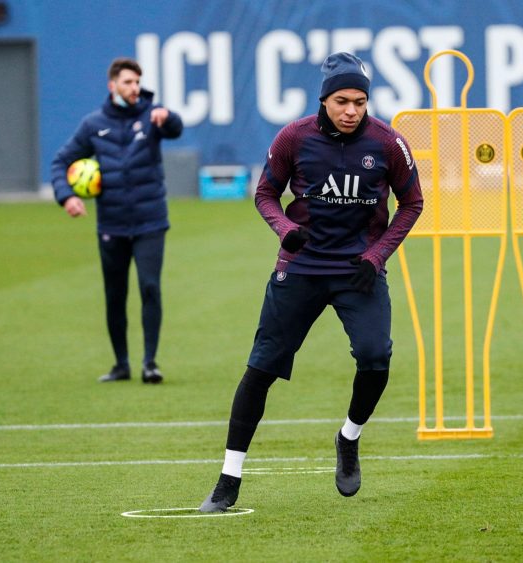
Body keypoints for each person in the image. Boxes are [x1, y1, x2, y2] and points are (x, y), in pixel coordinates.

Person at [198, 52, 424, 512]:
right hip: (300, 268)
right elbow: (265, 192)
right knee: (260, 370)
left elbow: (413, 203)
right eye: (342, 101)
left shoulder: (389, 143)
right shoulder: (292, 138)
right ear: (324, 100)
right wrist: (286, 231)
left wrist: (377, 254)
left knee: (376, 357)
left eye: (360, 102)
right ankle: (228, 479)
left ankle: (348, 438)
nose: (351, 110)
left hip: (358, 271)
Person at [51, 57, 182, 384]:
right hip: (111, 223)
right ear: (112, 86)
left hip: (150, 220)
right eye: (127, 82)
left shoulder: (152, 115)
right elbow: (60, 162)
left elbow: (176, 127)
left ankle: (150, 362)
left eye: (137, 82)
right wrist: (67, 196)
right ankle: (120, 364)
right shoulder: (93, 124)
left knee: (150, 287)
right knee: (115, 294)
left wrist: (168, 118)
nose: (134, 88)